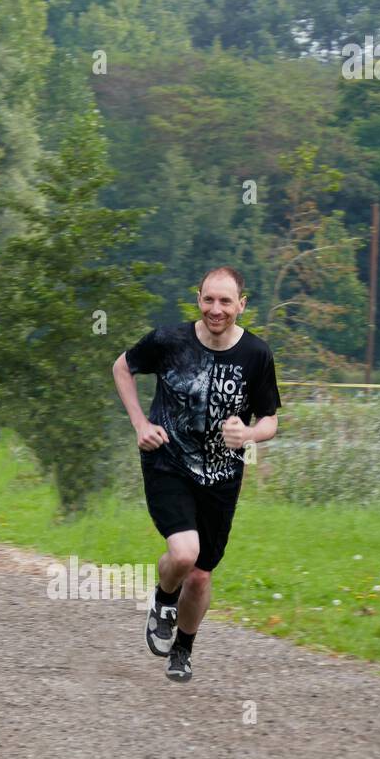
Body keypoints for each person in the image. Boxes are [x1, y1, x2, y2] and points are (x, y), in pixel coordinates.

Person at [112, 266, 281, 682]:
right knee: (184, 553)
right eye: (208, 299)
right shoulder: (169, 341)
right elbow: (122, 367)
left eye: (226, 301)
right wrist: (139, 424)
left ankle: (183, 648)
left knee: (202, 574)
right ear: (198, 298)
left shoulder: (256, 355)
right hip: (167, 461)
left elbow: (271, 422)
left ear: (242, 304)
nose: (216, 309)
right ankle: (163, 600)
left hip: (222, 476)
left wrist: (248, 434)